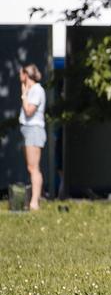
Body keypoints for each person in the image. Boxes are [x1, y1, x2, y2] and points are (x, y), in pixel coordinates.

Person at [19, 64, 46, 211]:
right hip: (27, 130)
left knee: (33, 167)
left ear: (26, 74)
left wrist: (24, 95)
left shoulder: (37, 90)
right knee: (31, 167)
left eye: (20, 74)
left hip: (34, 130)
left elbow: (29, 111)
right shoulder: (32, 90)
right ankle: (33, 199)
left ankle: (35, 202)